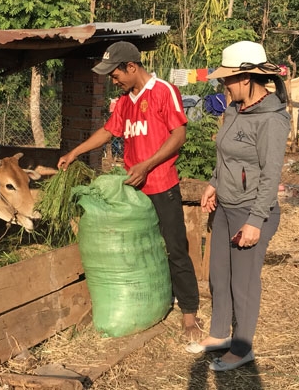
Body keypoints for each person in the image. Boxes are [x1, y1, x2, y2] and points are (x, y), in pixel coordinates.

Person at [57, 41, 201, 339]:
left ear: (131, 67)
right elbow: (109, 131)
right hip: (132, 188)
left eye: (115, 74)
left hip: (160, 184)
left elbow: (179, 134)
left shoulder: (163, 91)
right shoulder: (124, 101)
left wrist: (147, 165)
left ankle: (189, 315)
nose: (113, 80)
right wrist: (75, 153)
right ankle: (145, 300)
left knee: (175, 248)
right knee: (134, 248)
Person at [185, 41, 290, 371]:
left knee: (243, 283)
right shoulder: (234, 108)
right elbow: (226, 155)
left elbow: (270, 175)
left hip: (251, 211)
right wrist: (214, 183)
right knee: (219, 274)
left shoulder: (272, 120)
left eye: (228, 79)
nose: (223, 84)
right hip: (225, 207)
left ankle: (243, 346)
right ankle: (219, 334)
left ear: (246, 78)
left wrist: (256, 221)